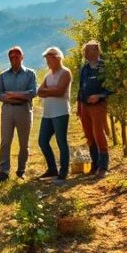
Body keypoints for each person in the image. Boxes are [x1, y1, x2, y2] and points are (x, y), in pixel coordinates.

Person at [0, 46, 38, 182]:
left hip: (24, 110)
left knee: (23, 143)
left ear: (22, 57)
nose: (14, 59)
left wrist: (12, 94)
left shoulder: (30, 74)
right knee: (5, 141)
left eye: (17, 56)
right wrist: (19, 96)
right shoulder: (3, 75)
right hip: (8, 110)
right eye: (11, 57)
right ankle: (4, 171)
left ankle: (21, 170)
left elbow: (33, 93)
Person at [37, 46, 72, 183]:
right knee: (42, 141)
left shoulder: (65, 72)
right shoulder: (48, 75)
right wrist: (51, 89)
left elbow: (60, 92)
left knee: (61, 141)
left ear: (57, 58)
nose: (47, 63)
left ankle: (63, 172)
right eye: (46, 60)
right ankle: (52, 169)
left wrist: (49, 89)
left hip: (61, 112)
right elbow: (39, 92)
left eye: (49, 60)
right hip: (48, 113)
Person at [77, 40, 112, 178]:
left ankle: (103, 166)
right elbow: (81, 87)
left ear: (97, 51)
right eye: (85, 50)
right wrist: (79, 105)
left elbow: (111, 87)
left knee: (98, 134)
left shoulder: (103, 67)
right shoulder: (84, 68)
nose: (85, 53)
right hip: (85, 105)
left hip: (97, 105)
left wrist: (99, 95)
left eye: (89, 50)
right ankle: (94, 165)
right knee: (89, 135)